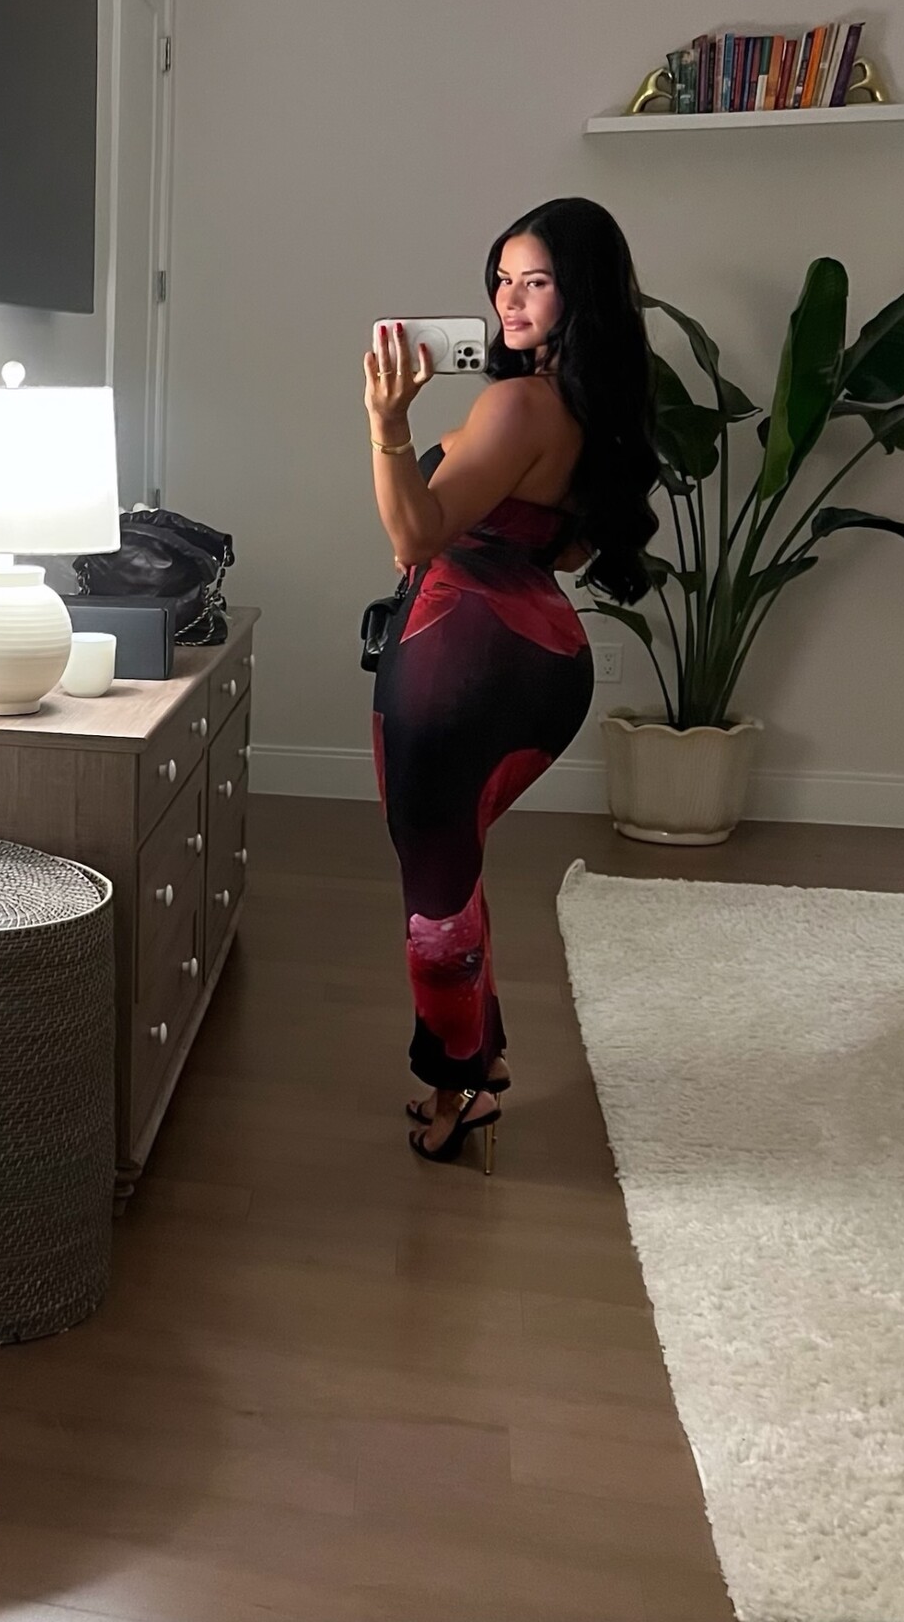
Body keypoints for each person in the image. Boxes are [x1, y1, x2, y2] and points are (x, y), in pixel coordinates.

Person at [364, 196, 659, 1167]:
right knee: (454, 863)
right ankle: (474, 1060)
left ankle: (459, 1094)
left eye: (537, 282)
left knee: (434, 890)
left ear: (582, 295)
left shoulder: (516, 406)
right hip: (534, 652)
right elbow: (563, 550)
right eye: (502, 279)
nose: (510, 300)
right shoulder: (583, 410)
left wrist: (389, 425)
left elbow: (415, 534)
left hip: (460, 662)